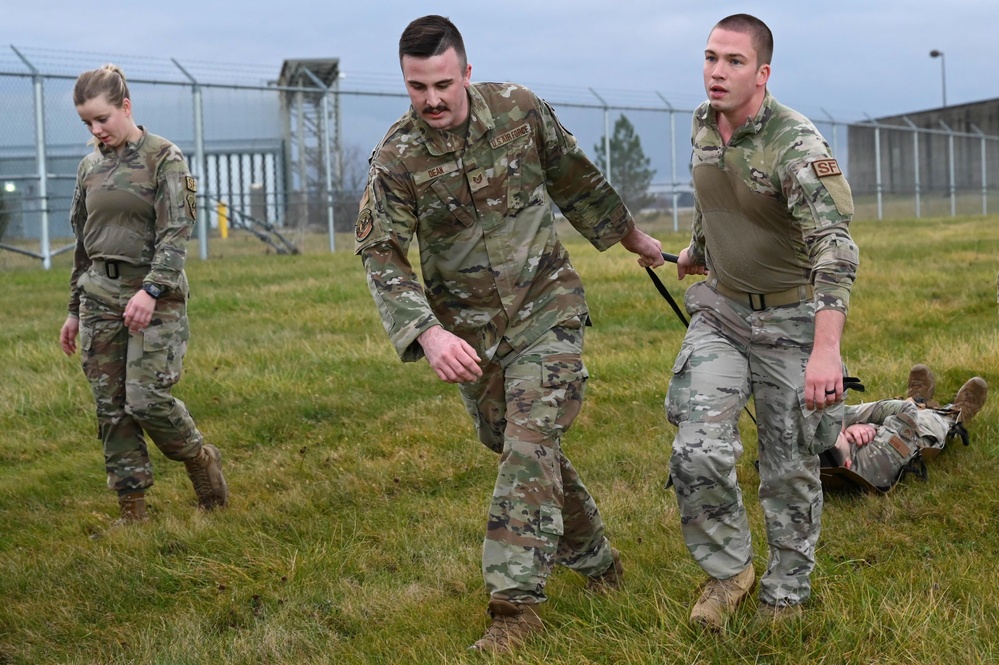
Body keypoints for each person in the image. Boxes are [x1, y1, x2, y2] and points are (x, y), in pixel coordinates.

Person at [354, 15, 664, 655]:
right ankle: (598, 560)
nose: (432, 99)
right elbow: (381, 253)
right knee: (518, 443)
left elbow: (575, 177)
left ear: (467, 71)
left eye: (442, 83)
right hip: (471, 337)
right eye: (417, 87)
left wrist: (635, 240)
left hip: (547, 309)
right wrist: (429, 334)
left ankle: (515, 607)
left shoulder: (519, 110)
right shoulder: (397, 158)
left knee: (529, 443)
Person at [665, 13, 860, 630]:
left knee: (790, 462)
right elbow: (712, 194)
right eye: (711, 57)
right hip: (721, 312)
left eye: (734, 62)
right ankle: (729, 574)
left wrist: (826, 353)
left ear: (763, 73)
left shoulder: (796, 145)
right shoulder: (703, 124)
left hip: (791, 320)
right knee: (696, 448)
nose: (717, 72)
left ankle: (786, 589)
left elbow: (835, 249)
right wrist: (700, 248)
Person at [59, 65, 228, 524]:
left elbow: (176, 233)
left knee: (146, 399)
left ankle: (199, 459)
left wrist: (151, 290)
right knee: (110, 407)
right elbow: (82, 242)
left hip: (155, 295)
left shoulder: (163, 157)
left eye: (102, 119)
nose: (96, 131)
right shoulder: (89, 165)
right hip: (99, 294)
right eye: (87, 124)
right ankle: (132, 512)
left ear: (125, 107)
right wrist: (74, 309)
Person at [823, 364, 988, 491]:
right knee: (927, 422)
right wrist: (861, 423)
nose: (837, 426)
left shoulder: (814, 454)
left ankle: (918, 400)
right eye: (840, 434)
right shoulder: (875, 462)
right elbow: (903, 410)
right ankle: (955, 413)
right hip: (918, 435)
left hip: (887, 432)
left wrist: (853, 427)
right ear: (847, 464)